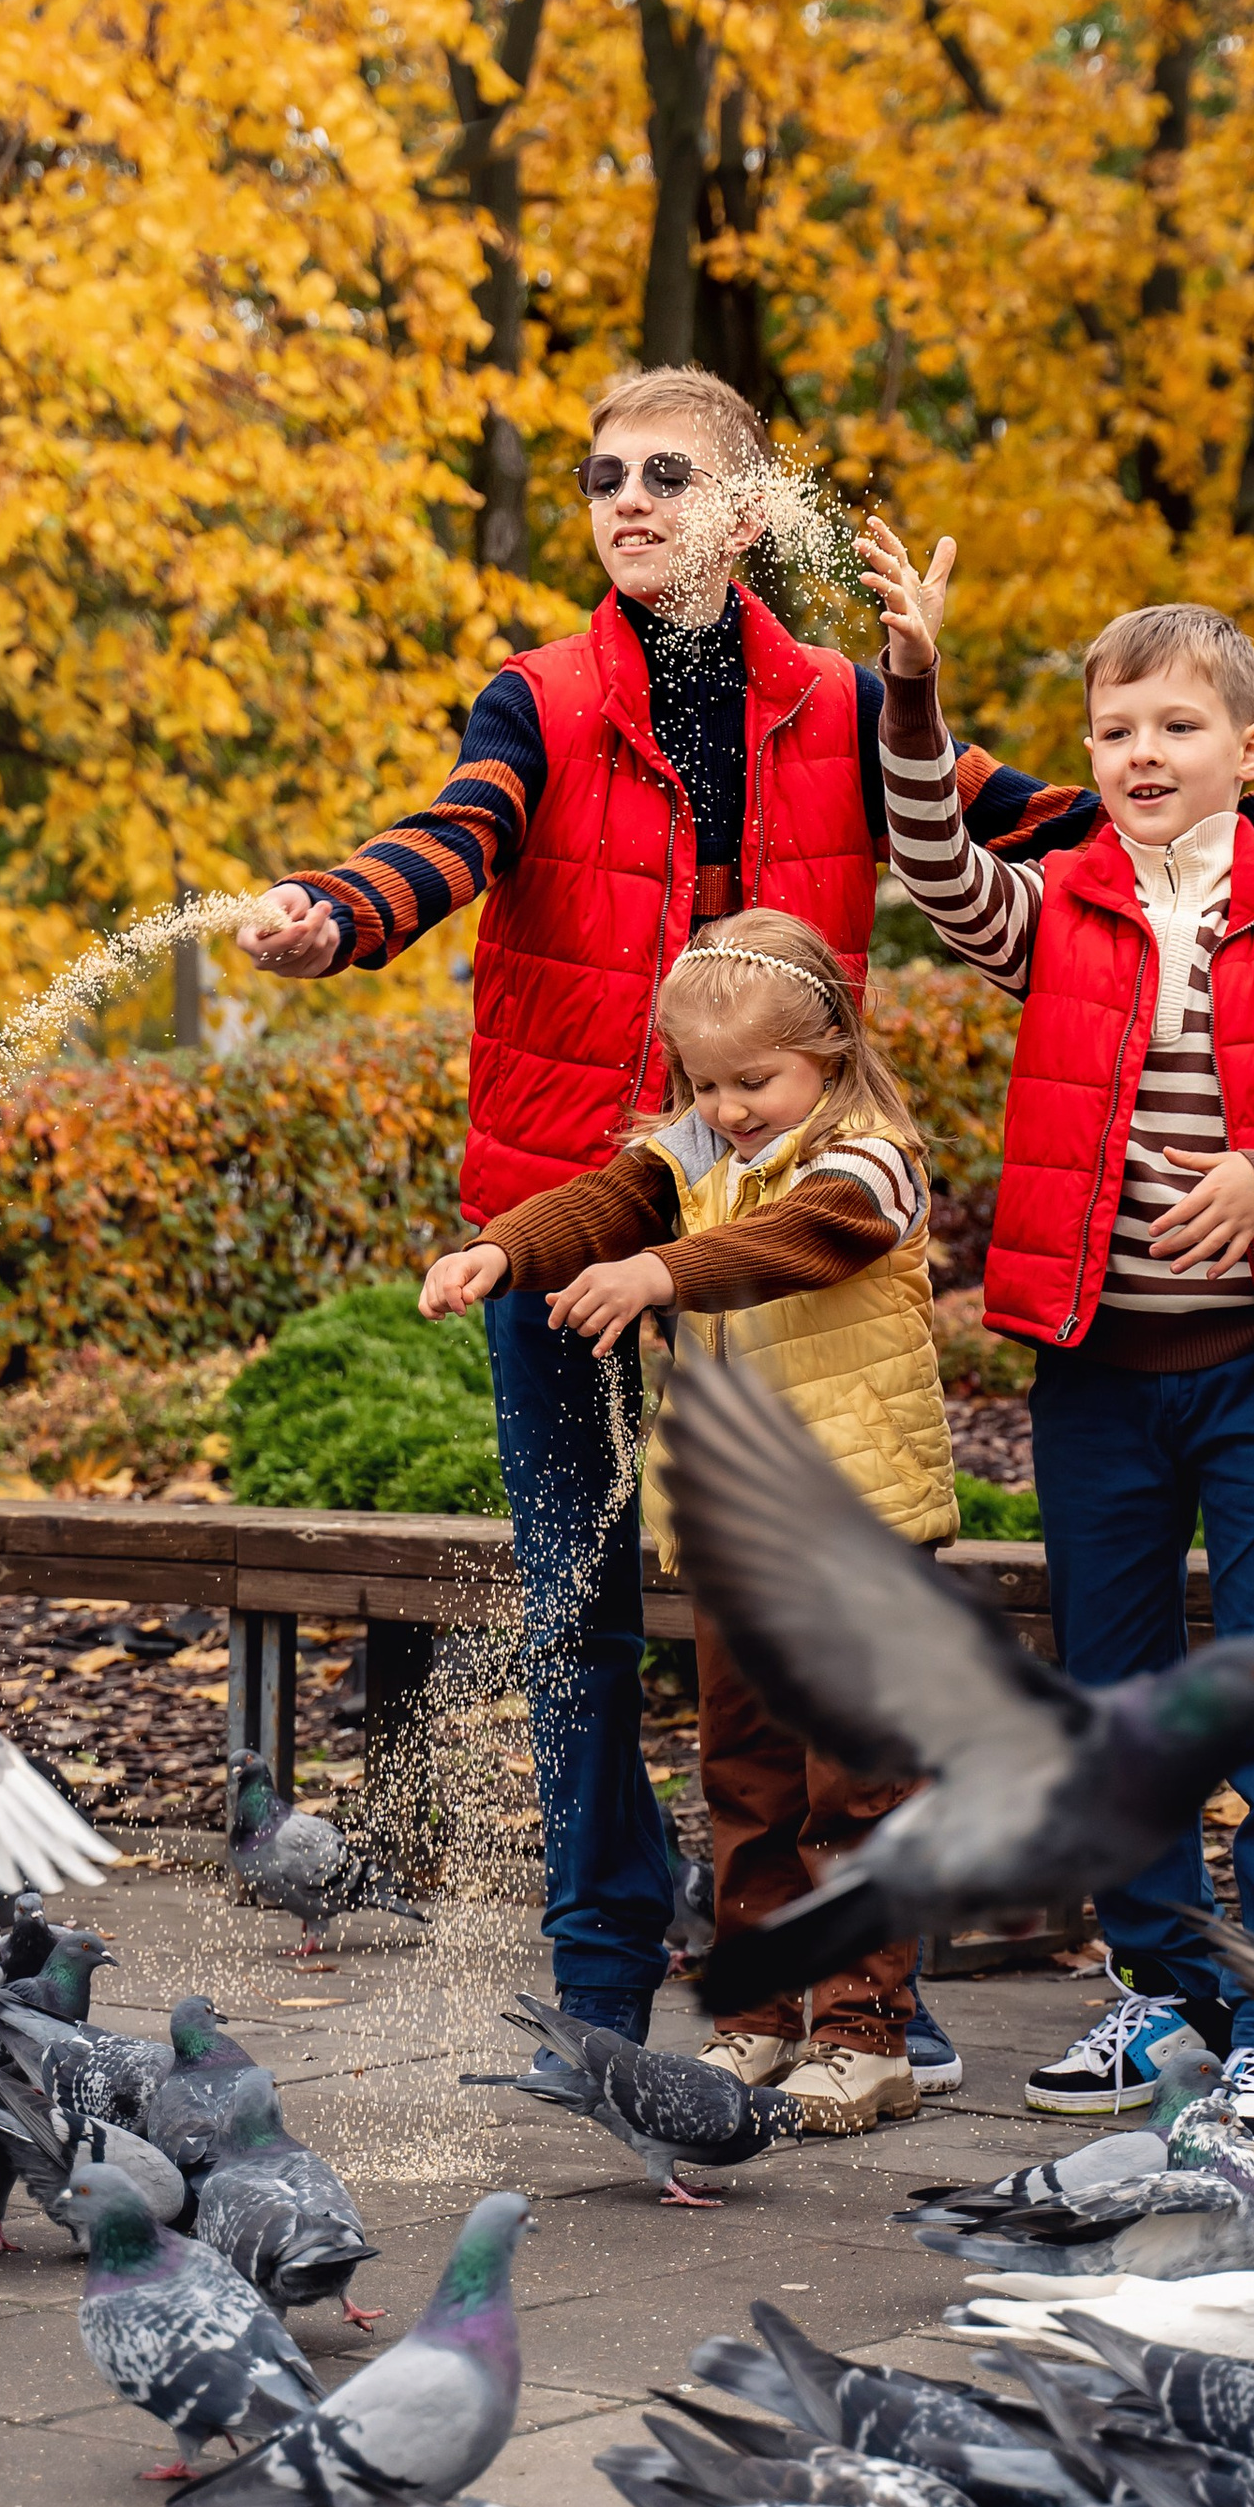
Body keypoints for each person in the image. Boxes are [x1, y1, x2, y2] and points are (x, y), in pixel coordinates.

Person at [239, 362, 1254, 2051]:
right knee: (578, 1610)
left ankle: (855, 1993)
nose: (631, 501)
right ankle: (605, 1977)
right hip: (572, 1201)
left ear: (749, 509)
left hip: (783, 1225)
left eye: (670, 475)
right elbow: (456, 834)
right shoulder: (541, 697)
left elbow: (1077, 818)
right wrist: (341, 914)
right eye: (607, 476)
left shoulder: (842, 706)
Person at [863, 517, 1254, 2158]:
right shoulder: (1056, 910)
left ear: (1250, 751)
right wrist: (912, 690)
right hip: (1097, 1379)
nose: (1143, 754)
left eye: (1178, 725)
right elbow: (932, 857)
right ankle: (1164, 1992)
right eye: (1115, 730)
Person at [421, 910, 954, 2130]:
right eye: (705, 1083)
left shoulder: (871, 1162)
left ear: (830, 1049)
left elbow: (792, 1243)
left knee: (854, 1788)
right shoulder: (696, 1149)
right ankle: (756, 2018)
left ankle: (865, 2036)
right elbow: (605, 1202)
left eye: (754, 1080)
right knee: (747, 1781)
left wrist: (660, 1272)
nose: (727, 1108)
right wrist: (502, 1253)